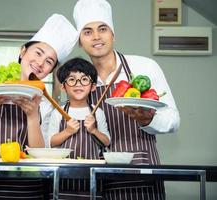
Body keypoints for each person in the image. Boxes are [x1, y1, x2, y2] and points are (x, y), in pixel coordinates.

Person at [0, 14, 78, 200]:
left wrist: (33, 116)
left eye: (49, 61)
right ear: (23, 51)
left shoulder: (44, 102)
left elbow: (39, 154)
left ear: (51, 70)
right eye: (38, 53)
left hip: (30, 188)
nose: (41, 63)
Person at [73, 0, 180, 199]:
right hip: (97, 177)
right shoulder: (80, 80)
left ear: (113, 33)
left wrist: (147, 120)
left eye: (102, 29)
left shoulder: (144, 67)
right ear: (80, 40)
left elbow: (173, 120)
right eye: (87, 31)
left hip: (141, 174)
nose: (96, 36)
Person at [47, 57, 110, 199]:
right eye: (71, 80)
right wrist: (67, 132)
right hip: (62, 177)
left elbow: (106, 142)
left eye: (84, 79)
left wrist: (94, 130)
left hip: (92, 178)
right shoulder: (58, 112)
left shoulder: (97, 112)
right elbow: (50, 142)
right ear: (63, 87)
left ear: (93, 86)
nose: (78, 84)